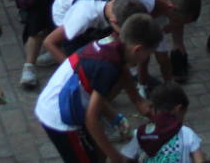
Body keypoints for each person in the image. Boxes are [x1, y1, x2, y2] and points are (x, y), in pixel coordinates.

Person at [36, 13, 161, 163]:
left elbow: (123, 68)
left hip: (68, 103)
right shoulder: (107, 69)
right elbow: (91, 119)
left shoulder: (115, 41)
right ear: (138, 50)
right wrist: (117, 157)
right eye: (149, 54)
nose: (146, 59)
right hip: (59, 117)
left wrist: (137, 100)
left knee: (97, 153)